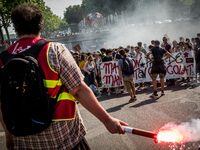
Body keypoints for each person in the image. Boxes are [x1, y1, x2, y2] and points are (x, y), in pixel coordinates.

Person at [0, 3, 128, 150]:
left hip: (23, 140)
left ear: (15, 27)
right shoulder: (53, 50)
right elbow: (79, 90)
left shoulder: (3, 59)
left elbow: (2, 103)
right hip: (64, 139)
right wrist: (107, 120)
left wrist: (9, 134)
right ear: (40, 25)